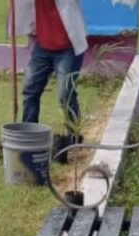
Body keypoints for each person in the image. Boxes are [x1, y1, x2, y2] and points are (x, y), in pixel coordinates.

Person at [13, 0, 88, 163]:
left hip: (68, 48)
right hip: (43, 46)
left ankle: (73, 136)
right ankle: (29, 134)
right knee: (30, 89)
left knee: (65, 94)